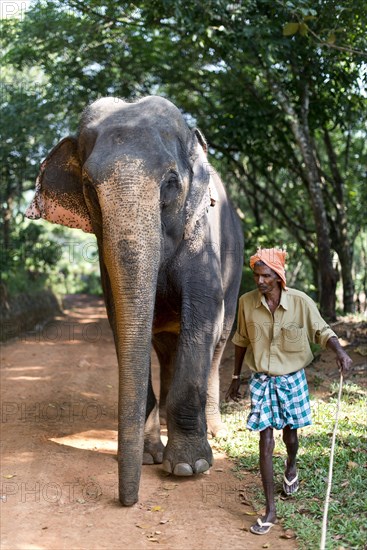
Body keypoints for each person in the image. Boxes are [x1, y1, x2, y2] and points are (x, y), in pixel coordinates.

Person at [225, 248, 352, 536]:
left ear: (279, 276)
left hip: (292, 378)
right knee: (265, 440)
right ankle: (270, 509)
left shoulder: (300, 302)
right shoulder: (246, 303)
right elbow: (241, 340)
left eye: (266, 276)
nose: (259, 281)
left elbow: (323, 331)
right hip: (262, 380)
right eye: (257, 275)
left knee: (290, 436)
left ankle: (291, 465)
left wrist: (341, 353)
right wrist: (236, 377)